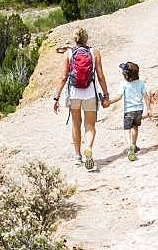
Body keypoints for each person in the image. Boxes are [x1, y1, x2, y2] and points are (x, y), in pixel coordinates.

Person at [52, 28, 110, 170]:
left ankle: (78, 156)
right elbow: (101, 77)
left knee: (76, 124)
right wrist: (106, 95)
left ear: (74, 39)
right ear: (86, 38)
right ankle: (88, 147)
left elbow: (63, 77)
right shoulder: (94, 53)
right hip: (90, 93)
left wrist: (56, 97)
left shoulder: (68, 53)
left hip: (74, 94)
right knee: (90, 126)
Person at [105, 61, 151, 162]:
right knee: (135, 127)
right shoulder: (141, 83)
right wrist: (149, 108)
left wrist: (109, 102)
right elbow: (146, 96)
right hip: (139, 109)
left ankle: (129, 146)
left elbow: (119, 96)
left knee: (127, 129)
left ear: (125, 74)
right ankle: (134, 145)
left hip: (129, 110)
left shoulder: (124, 84)